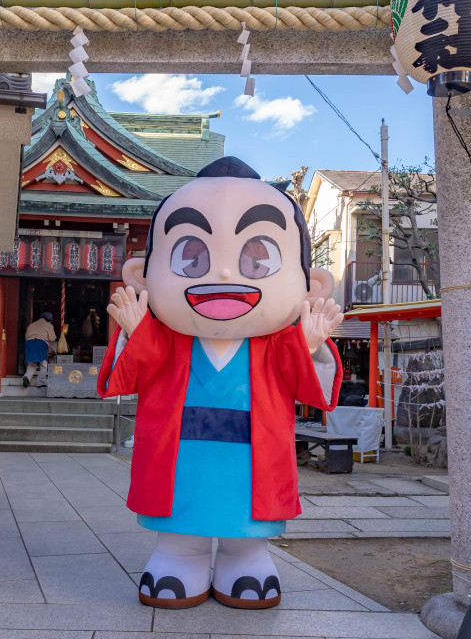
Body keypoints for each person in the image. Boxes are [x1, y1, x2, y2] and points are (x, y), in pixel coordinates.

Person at [98, 156, 343, 610]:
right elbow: (125, 379)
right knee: (180, 519)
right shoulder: (165, 339)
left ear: (312, 286)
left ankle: (244, 559)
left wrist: (308, 346)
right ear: (141, 275)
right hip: (179, 450)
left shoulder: (277, 343)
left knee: (244, 529)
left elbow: (312, 392)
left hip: (254, 451)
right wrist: (137, 333)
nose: (225, 274)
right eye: (191, 257)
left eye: (258, 257)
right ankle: (179, 556)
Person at [23, 311, 56, 387]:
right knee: (43, 364)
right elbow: (52, 338)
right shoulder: (48, 325)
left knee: (32, 364)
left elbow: (26, 336)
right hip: (40, 343)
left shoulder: (32, 324)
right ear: (49, 320)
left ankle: (27, 377)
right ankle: (40, 382)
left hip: (29, 343)